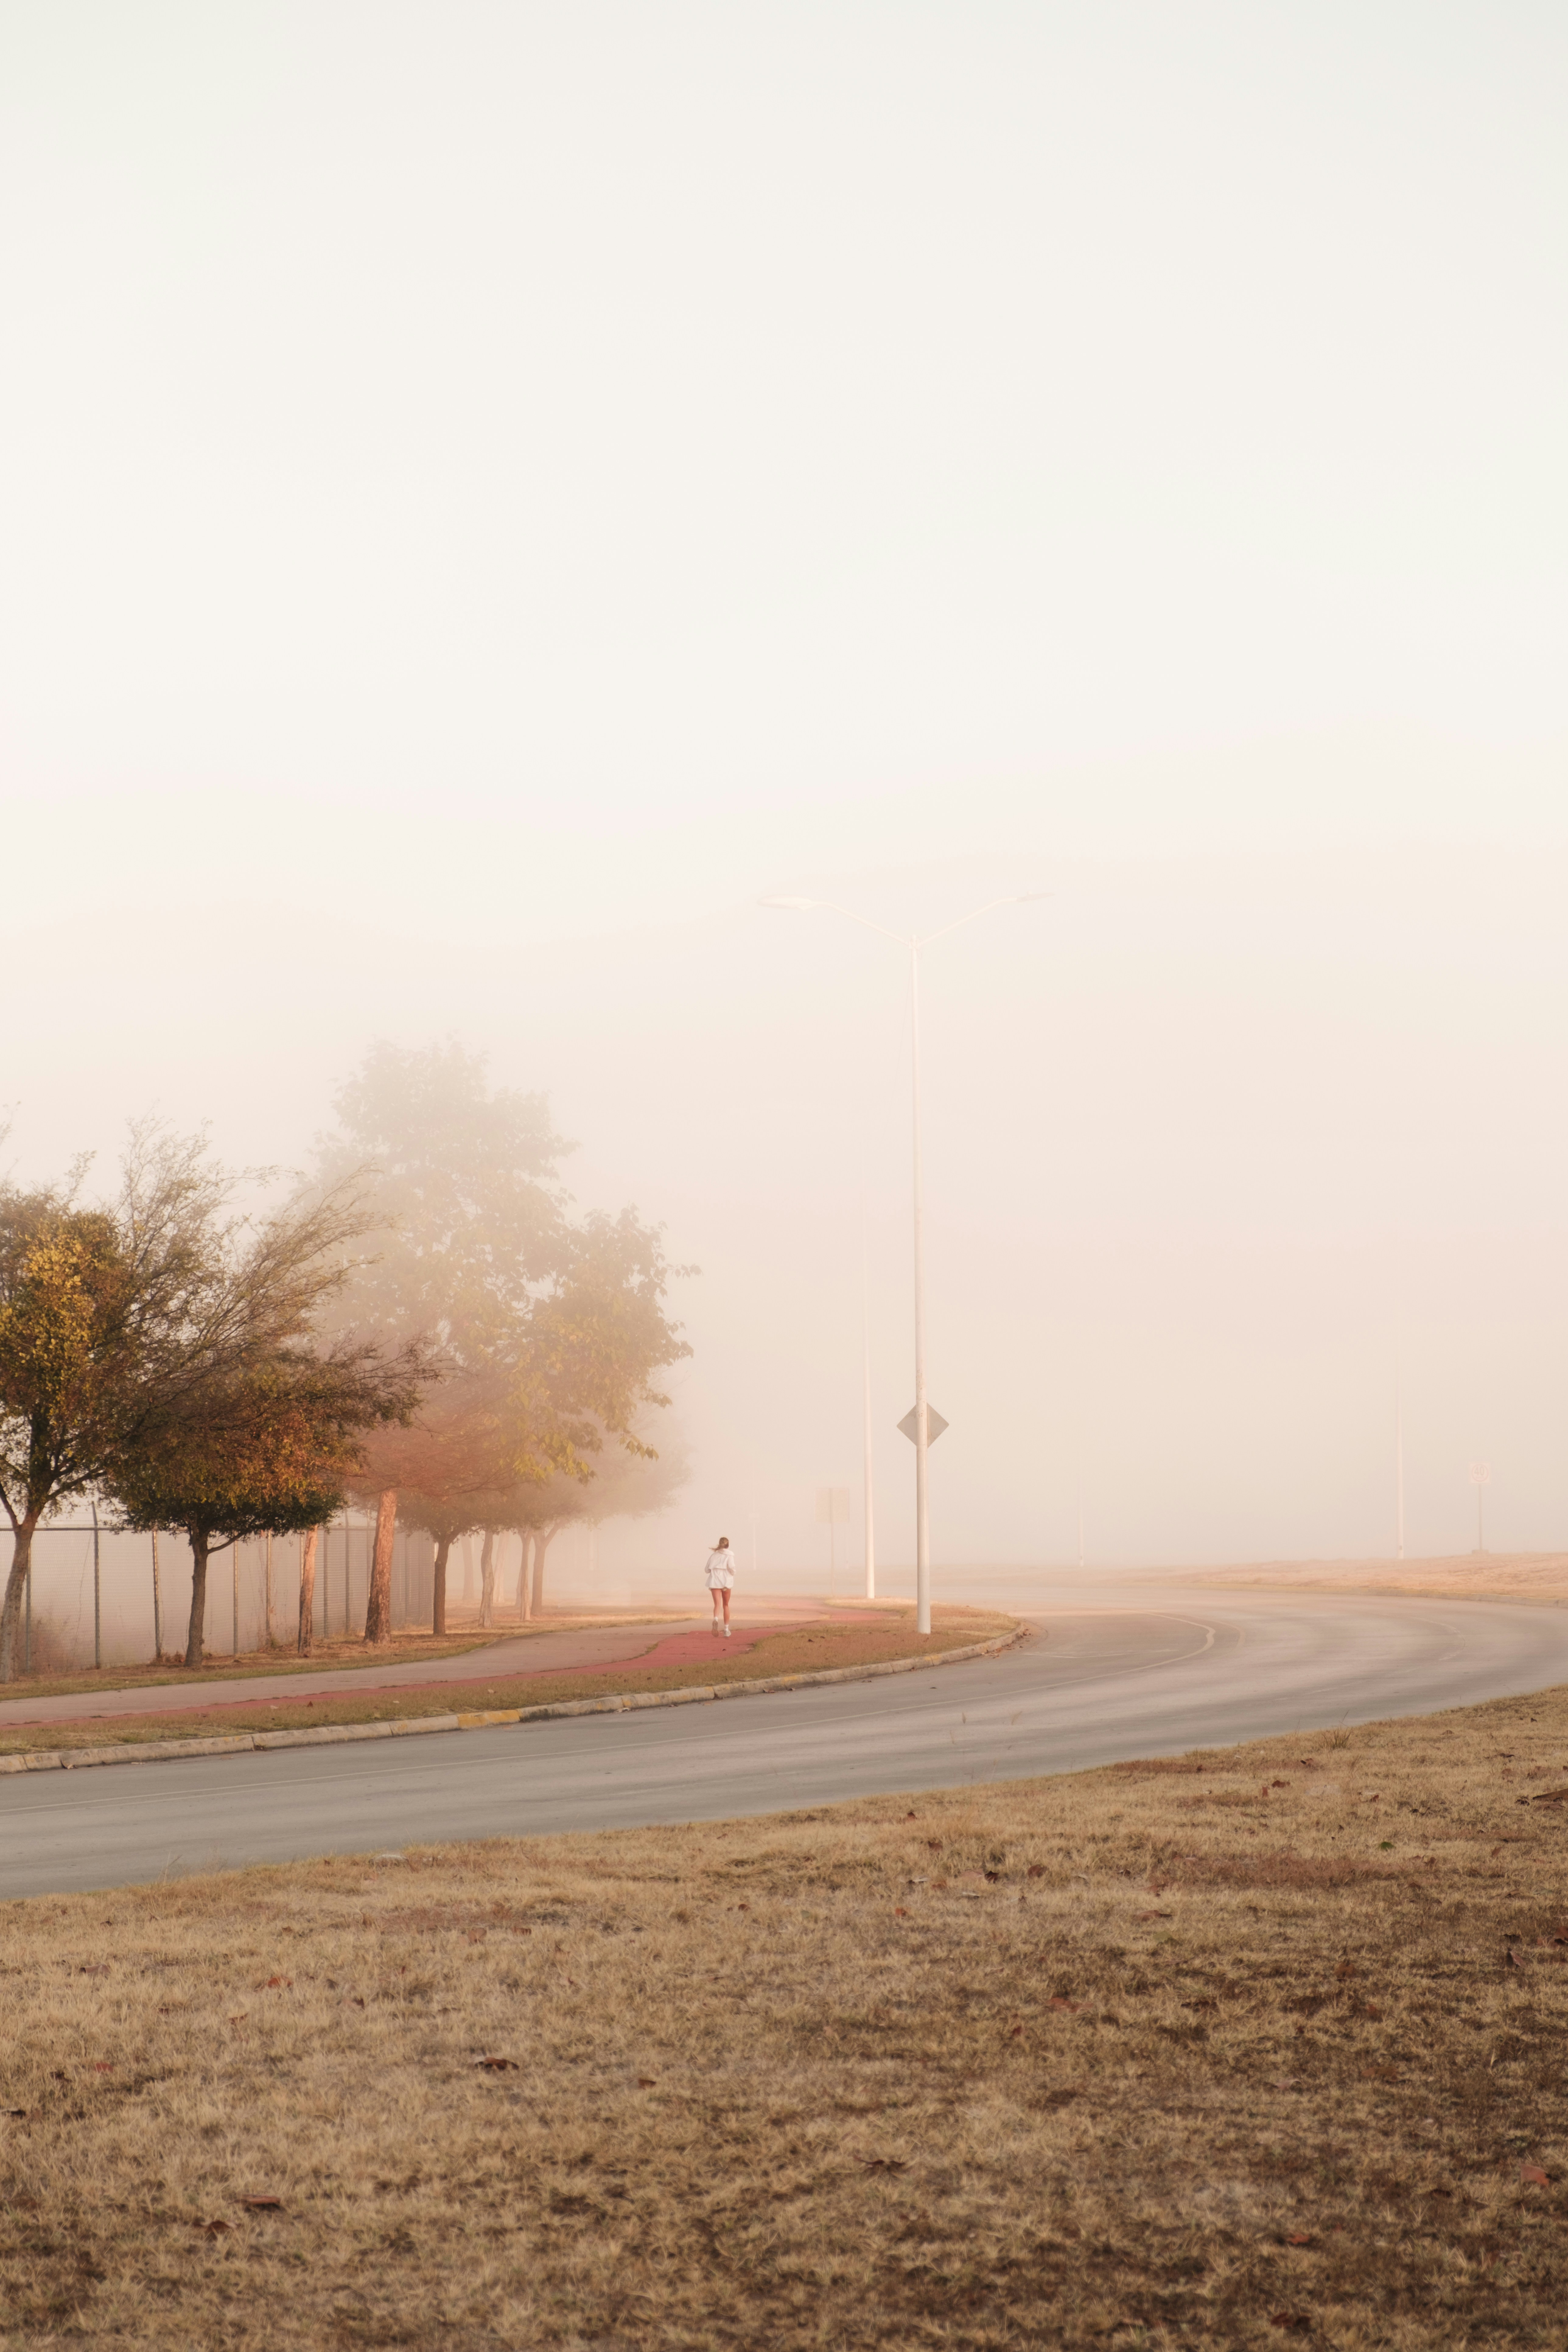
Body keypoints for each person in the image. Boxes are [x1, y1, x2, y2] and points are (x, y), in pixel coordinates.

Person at [705, 1535, 735, 1635]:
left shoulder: (714, 1556)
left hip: (715, 1582)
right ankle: (726, 1630)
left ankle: (716, 1619)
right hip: (726, 1583)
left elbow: (707, 1570)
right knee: (726, 1605)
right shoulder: (730, 1555)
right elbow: (732, 1568)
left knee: (717, 1604)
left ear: (720, 1544)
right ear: (728, 1545)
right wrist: (733, 1572)